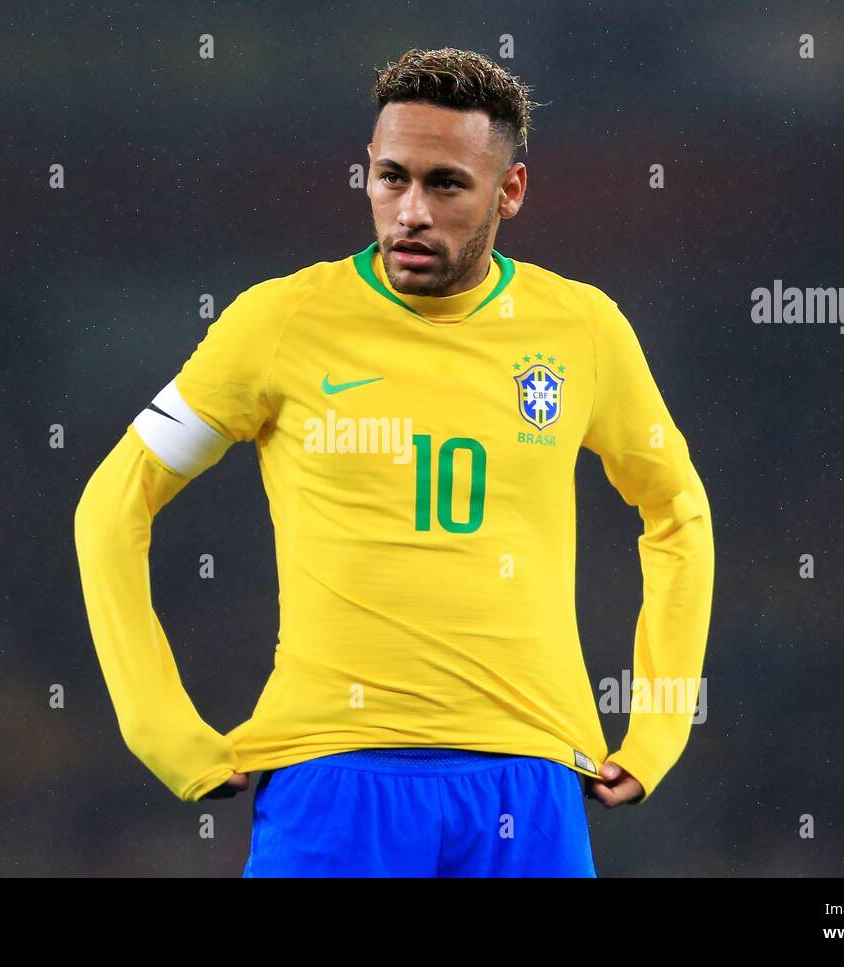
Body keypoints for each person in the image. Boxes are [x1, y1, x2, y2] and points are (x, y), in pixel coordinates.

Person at [74, 47, 714, 877]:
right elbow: (113, 501)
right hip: (332, 777)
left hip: (527, 782)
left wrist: (659, 725)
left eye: (445, 183)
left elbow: (676, 512)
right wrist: (158, 725)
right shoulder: (281, 322)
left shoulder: (582, 329)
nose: (410, 210)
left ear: (509, 191)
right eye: (390, 178)